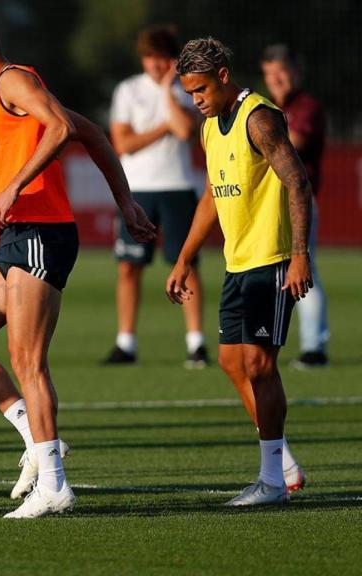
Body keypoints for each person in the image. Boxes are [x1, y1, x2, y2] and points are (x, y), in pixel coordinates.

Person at [0, 21, 155, 518]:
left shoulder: (13, 79)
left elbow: (62, 128)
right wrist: (125, 204)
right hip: (16, 237)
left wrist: (13, 185)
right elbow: (93, 133)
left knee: (27, 361)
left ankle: (56, 485)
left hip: (42, 232)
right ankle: (37, 442)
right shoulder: (2, 97)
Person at [167, 38, 312, 505]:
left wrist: (299, 254)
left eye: (202, 90)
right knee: (232, 362)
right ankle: (283, 462)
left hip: (270, 258)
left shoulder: (260, 118)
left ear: (224, 76)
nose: (198, 100)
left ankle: (272, 481)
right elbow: (213, 194)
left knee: (259, 365)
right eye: (190, 93)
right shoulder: (212, 126)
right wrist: (185, 256)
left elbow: (297, 180)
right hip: (236, 260)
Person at [103, 25, 207, 368]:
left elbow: (187, 131)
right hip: (137, 190)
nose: (155, 65)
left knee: (185, 265)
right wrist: (163, 128)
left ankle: (196, 343)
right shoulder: (128, 91)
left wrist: (167, 93)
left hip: (178, 186)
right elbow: (124, 144)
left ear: (173, 61)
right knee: (129, 266)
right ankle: (126, 342)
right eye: (149, 57)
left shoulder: (186, 89)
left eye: (162, 58)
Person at [261, 44, 330, 369]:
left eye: (281, 72)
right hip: (270, 203)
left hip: (299, 199)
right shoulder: (266, 109)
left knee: (305, 268)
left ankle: (314, 346)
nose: (276, 80)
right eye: (270, 74)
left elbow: (293, 145)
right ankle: (271, 338)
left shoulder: (306, 107)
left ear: (295, 72)